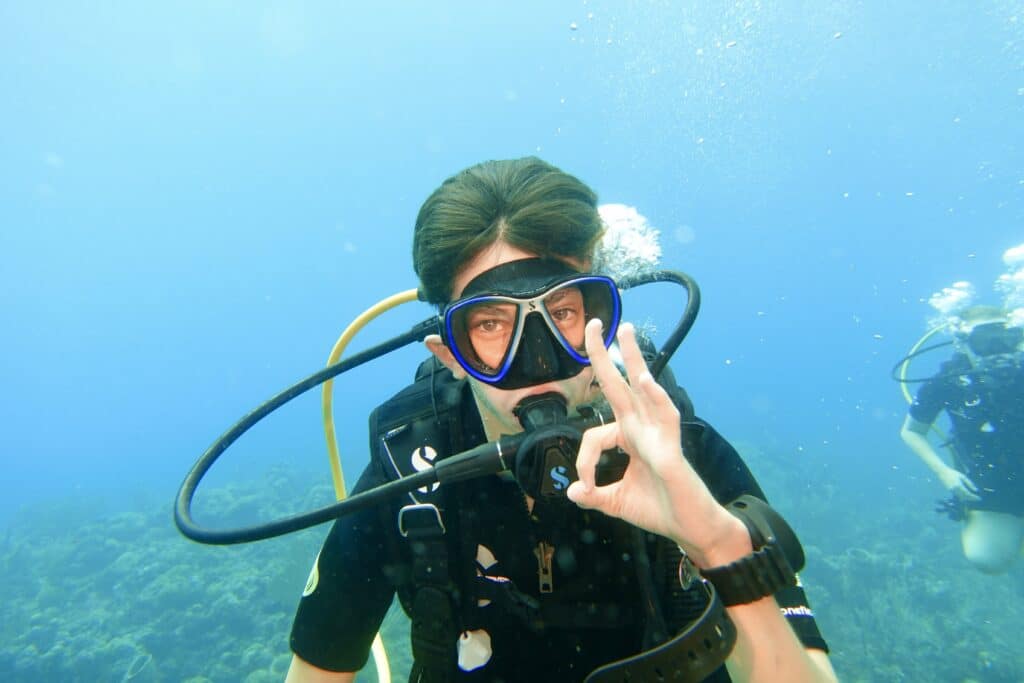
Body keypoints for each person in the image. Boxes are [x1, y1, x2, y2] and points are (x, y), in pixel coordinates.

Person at [285, 157, 837, 682]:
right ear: (449, 353)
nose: (538, 364)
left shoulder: (678, 453)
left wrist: (717, 548)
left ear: (600, 317)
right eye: (491, 325)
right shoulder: (412, 474)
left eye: (564, 313)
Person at [900, 305, 1024, 574]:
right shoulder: (949, 381)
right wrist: (945, 473)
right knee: (986, 559)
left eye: (1007, 337)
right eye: (985, 340)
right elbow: (911, 430)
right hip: (996, 486)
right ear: (964, 343)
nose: (998, 348)